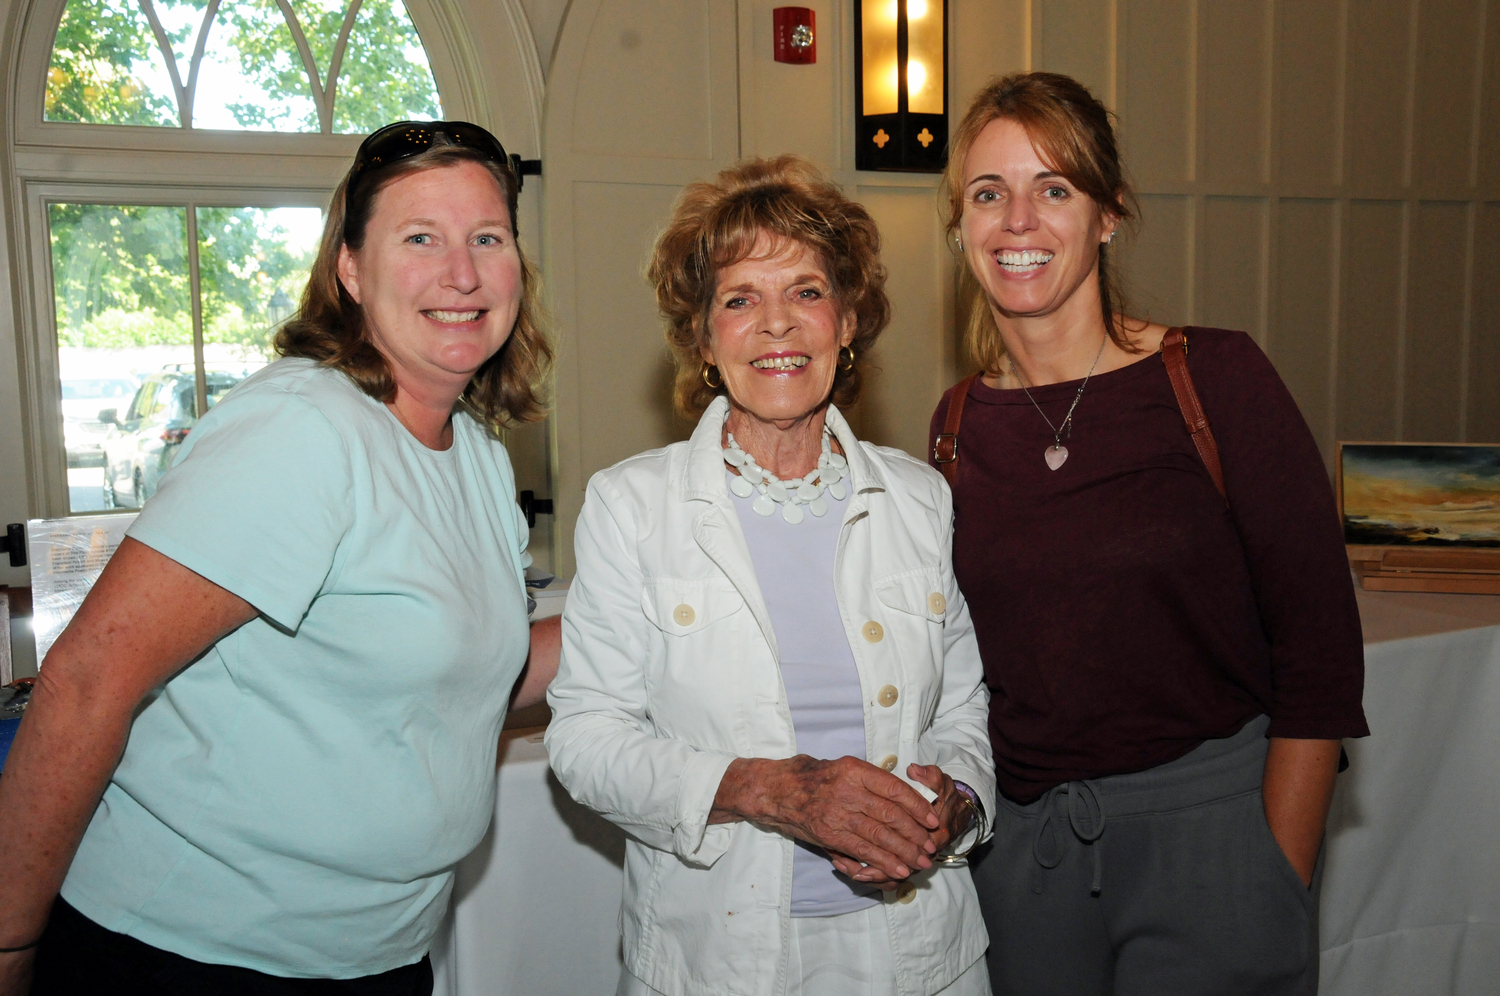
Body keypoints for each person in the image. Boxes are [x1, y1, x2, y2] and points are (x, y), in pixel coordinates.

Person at [0, 120, 559, 995]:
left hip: (376, 953)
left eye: (487, 238)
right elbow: (86, 680)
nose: (462, 273)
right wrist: (7, 943)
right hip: (189, 953)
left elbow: (487, 673)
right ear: (349, 268)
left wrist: (662, 609)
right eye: (420, 239)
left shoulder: (476, 457)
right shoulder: (305, 431)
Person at [928, 72, 1369, 996]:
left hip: (1213, 847)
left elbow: (1321, 653)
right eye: (988, 193)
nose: (1018, 220)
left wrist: (1272, 878)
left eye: (1054, 189)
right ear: (960, 224)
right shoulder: (955, 426)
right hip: (1025, 865)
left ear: (1108, 214)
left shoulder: (1213, 378)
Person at [546, 156, 994, 996]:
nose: (777, 325)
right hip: (717, 957)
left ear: (849, 321)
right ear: (703, 339)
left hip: (920, 952)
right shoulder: (631, 506)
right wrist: (762, 789)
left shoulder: (918, 498)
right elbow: (584, 738)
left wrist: (957, 802)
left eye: (808, 292)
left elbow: (962, 707)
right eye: (740, 299)